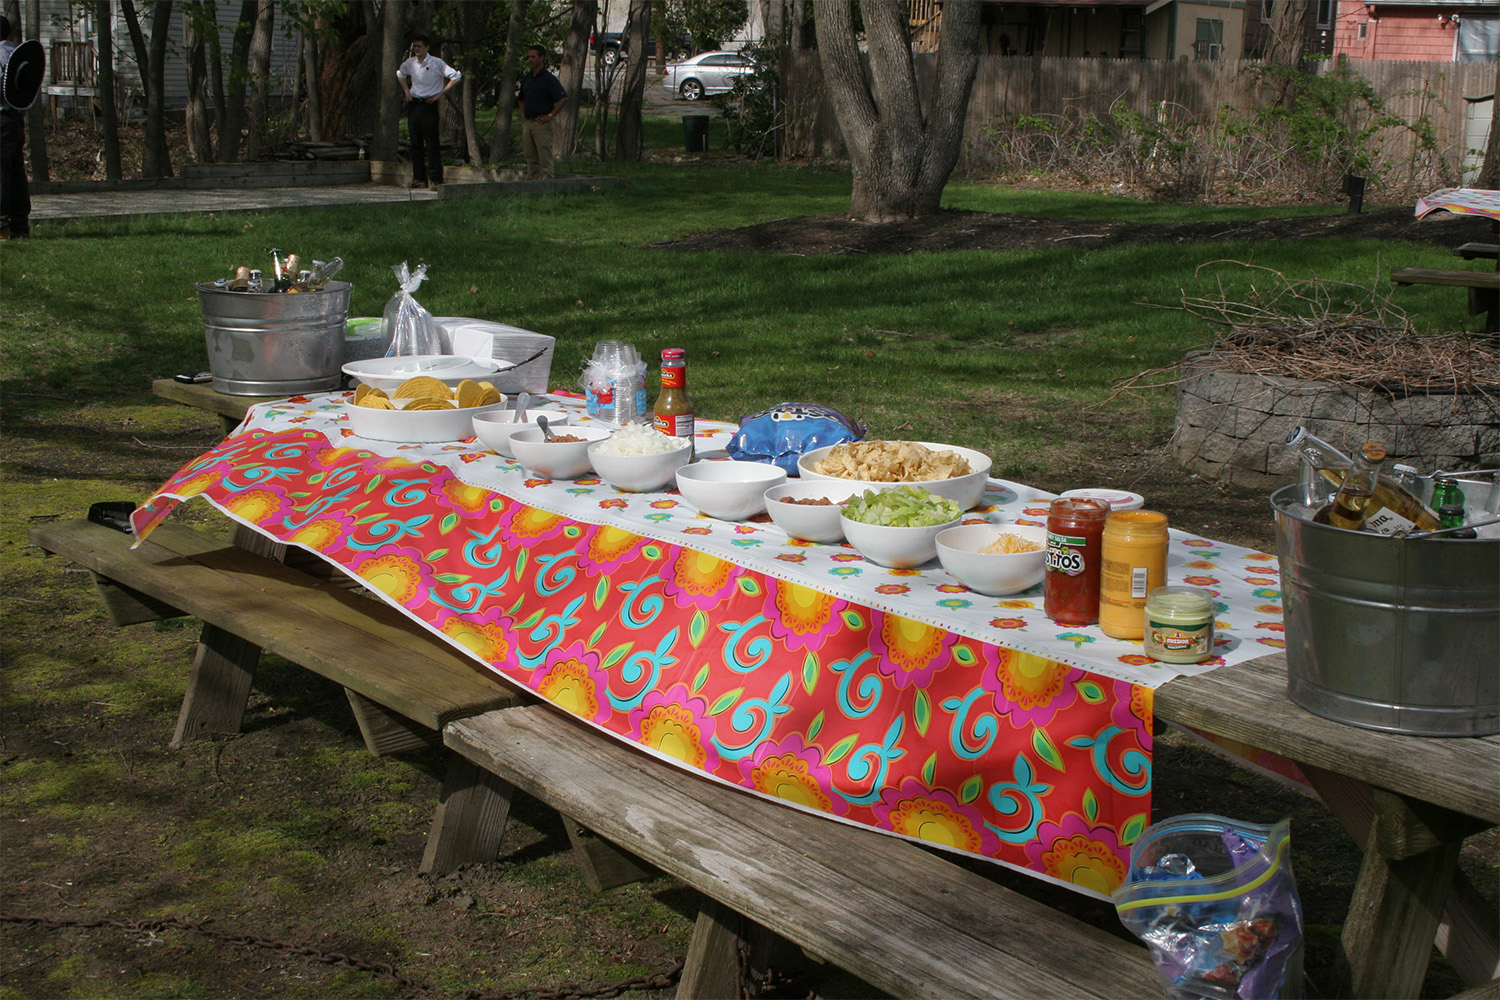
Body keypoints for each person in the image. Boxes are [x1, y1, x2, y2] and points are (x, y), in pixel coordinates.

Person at [396, 33, 461, 189]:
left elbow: (456, 76)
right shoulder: (410, 63)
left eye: (420, 46)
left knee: (431, 142)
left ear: (427, 47)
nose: (417, 49)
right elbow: (400, 73)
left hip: (429, 103)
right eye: (415, 47)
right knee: (415, 142)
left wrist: (440, 94)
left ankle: (435, 178)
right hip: (414, 103)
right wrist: (406, 91)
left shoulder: (436, 63)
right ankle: (419, 178)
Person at [0, 15, 32, 239]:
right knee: (16, 172)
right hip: (15, 119)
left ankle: (2, 226)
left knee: (1, 173)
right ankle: (20, 224)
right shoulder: (16, 56)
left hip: (1, 119)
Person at [519, 45, 567, 181]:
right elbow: (521, 99)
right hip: (528, 122)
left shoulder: (548, 79)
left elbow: (563, 98)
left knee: (544, 153)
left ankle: (546, 181)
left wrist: (550, 115)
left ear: (541, 58)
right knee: (529, 154)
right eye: (529, 57)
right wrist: (523, 115)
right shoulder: (527, 78)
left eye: (533, 57)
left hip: (542, 122)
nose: (530, 60)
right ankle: (532, 179)